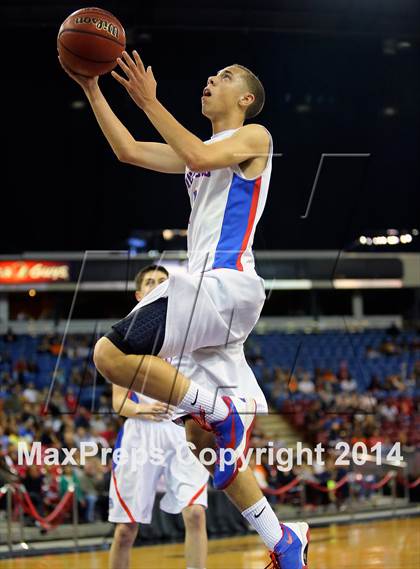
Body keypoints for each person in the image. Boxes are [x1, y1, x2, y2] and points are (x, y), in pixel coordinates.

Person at [60, 51, 309, 569]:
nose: (209, 80)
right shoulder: (199, 149)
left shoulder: (255, 138)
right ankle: (284, 541)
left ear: (245, 99)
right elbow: (128, 151)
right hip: (214, 298)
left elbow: (196, 155)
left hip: (222, 283)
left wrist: (149, 101)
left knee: (108, 356)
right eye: (210, 74)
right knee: (204, 444)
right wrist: (92, 88)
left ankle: (215, 411)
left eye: (223, 78)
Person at [108, 265, 209, 569]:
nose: (156, 285)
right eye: (150, 282)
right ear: (139, 294)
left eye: (163, 282)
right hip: (141, 433)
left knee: (195, 513)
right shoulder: (125, 339)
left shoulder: (192, 336)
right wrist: (142, 409)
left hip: (181, 432)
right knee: (126, 530)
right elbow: (118, 402)